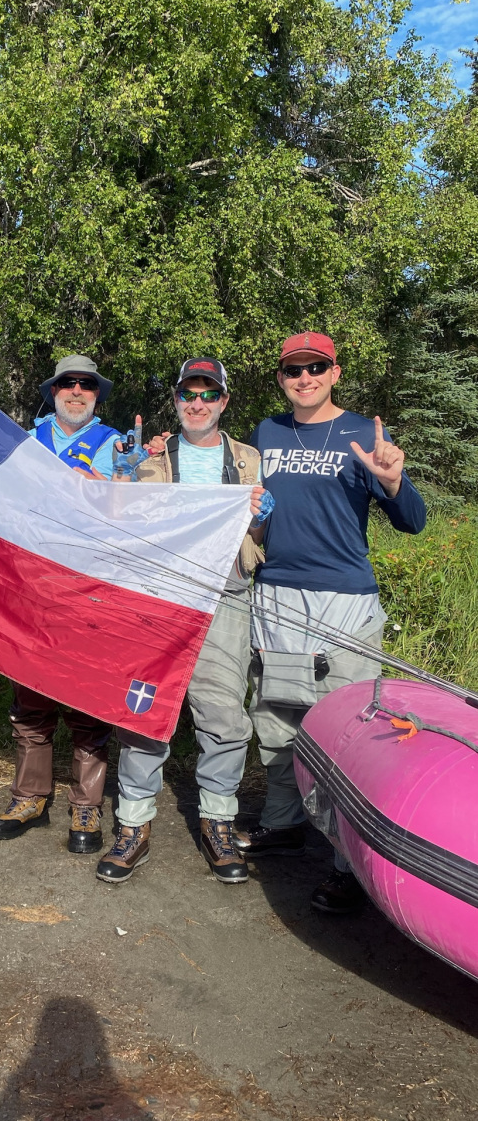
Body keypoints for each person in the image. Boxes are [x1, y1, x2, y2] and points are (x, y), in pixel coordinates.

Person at [236, 331, 427, 913]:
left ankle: (348, 864)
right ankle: (283, 824)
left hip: (344, 599)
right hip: (276, 594)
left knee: (347, 730)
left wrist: (392, 481)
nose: (305, 378)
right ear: (281, 378)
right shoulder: (266, 433)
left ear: (335, 373)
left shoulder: (363, 435)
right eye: (294, 369)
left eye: (316, 367)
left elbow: (413, 521)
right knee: (276, 718)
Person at [96, 358, 270, 884]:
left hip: (226, 597)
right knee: (144, 709)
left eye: (208, 394)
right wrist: (121, 478)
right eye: (188, 394)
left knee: (224, 714)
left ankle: (218, 822)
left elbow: (257, 537)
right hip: (159, 599)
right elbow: (116, 520)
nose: (197, 403)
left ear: (224, 401)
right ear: (175, 399)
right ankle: (133, 824)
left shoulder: (248, 459)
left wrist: (260, 520)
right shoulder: (150, 457)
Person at [0, 355, 121, 854]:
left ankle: (86, 803)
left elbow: (132, 511)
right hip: (32, 586)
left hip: (89, 587)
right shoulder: (23, 442)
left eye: (87, 384)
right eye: (68, 383)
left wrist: (117, 487)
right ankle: (29, 797)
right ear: (53, 392)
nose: (77, 391)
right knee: (31, 699)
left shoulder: (116, 445)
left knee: (87, 699)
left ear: (97, 395)